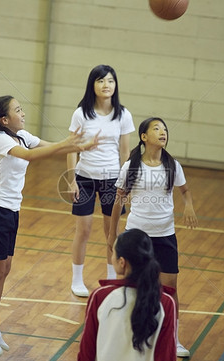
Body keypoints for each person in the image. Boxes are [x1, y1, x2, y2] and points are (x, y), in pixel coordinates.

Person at [0, 95, 100, 357]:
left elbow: (49, 146)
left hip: (11, 211)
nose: (23, 113)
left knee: (5, 269)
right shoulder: (2, 139)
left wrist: (81, 147)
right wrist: (68, 143)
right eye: (18, 110)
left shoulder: (20, 135)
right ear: (4, 119)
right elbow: (32, 155)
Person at [108, 117, 198, 358]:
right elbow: (118, 201)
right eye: (156, 128)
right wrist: (112, 234)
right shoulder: (131, 167)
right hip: (137, 236)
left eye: (165, 129)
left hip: (165, 236)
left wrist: (188, 205)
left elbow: (185, 190)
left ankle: (173, 339)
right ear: (144, 137)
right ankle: (127, 334)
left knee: (169, 290)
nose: (163, 132)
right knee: (132, 287)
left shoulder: (172, 165)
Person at [67, 64, 135, 298]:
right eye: (101, 81)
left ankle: (111, 280)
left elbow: (125, 153)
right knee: (83, 231)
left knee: (112, 232)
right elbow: (71, 148)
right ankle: (77, 280)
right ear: (92, 85)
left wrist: (126, 184)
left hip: (112, 180)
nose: (106, 85)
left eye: (110, 81)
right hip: (84, 178)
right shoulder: (81, 113)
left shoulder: (123, 114)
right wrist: (71, 179)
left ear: (115, 85)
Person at [74, 229, 177, 361]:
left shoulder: (100, 296)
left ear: (122, 262)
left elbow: (86, 355)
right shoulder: (166, 303)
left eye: (113, 253)